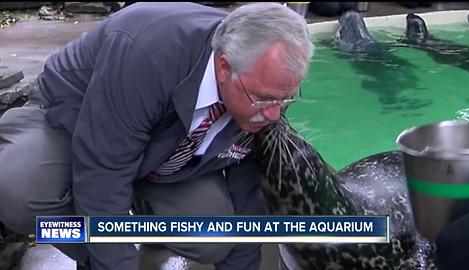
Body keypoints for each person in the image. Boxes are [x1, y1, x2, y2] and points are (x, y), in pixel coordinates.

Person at [0, 2, 314, 270]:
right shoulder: (147, 51)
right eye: (265, 99)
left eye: (285, 98)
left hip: (166, 154)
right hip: (75, 125)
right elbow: (102, 174)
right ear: (222, 67)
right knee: (20, 191)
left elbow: (247, 192)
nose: (274, 114)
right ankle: (95, 251)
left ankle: (132, 230)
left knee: (214, 240)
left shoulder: (265, 90)